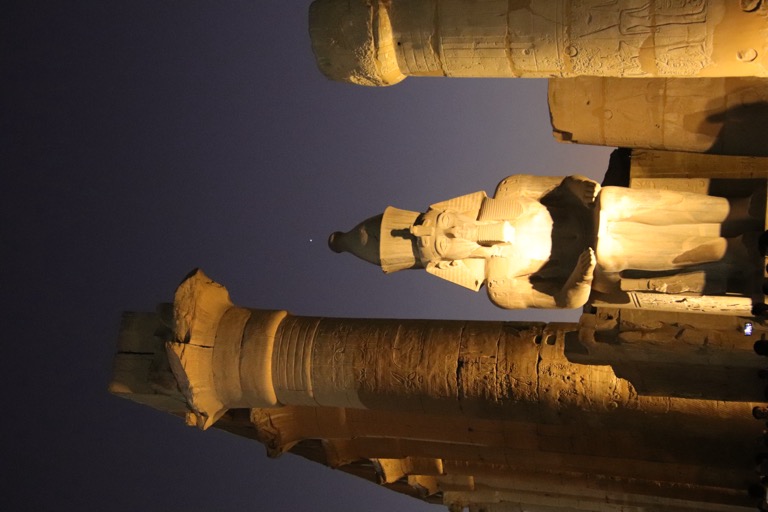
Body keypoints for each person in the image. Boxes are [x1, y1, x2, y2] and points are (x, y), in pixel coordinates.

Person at [330, 175, 761, 309]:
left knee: (612, 202)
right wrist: (581, 274)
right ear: (446, 264)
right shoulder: (500, 286)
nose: (457, 231)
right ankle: (733, 252)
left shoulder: (511, 190)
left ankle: (736, 211)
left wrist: (583, 189)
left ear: (448, 208)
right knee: (613, 249)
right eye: (446, 242)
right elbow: (565, 302)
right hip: (605, 266)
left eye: (445, 223)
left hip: (605, 213)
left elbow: (566, 184)